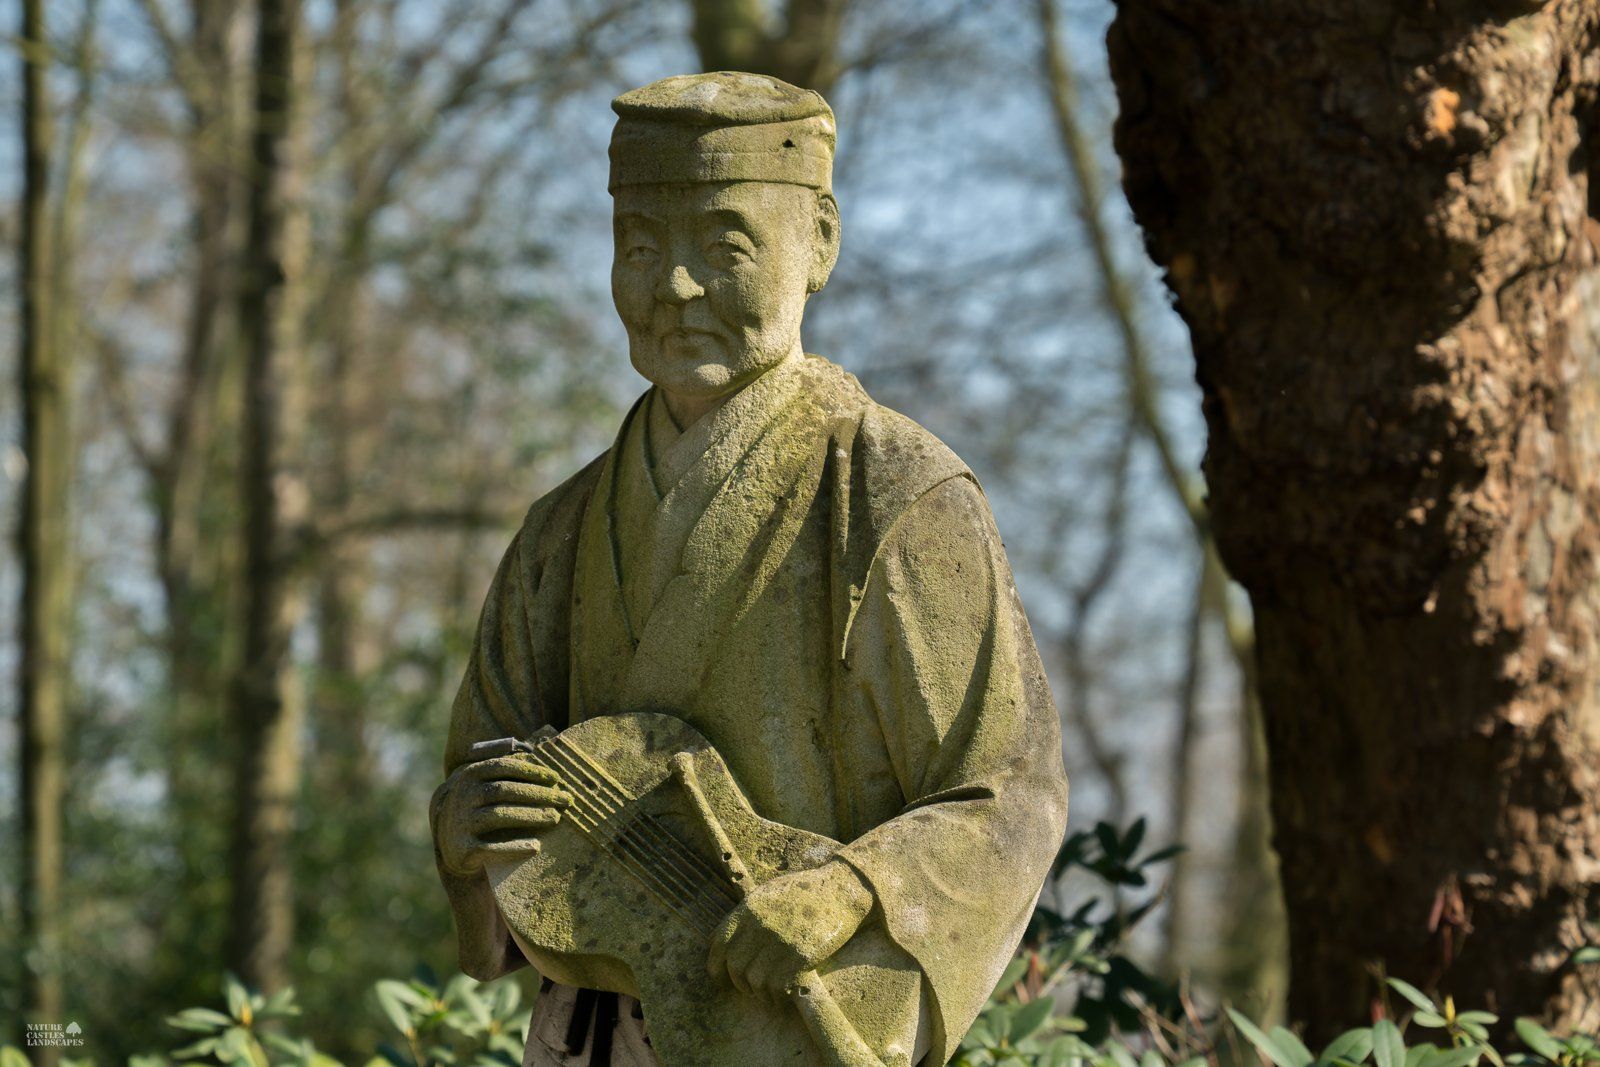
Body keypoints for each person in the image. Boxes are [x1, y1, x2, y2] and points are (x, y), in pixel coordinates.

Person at [429, 71, 1069, 1067]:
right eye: (639, 247)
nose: (673, 285)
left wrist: (855, 890)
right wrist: (469, 831)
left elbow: (1007, 791)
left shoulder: (893, 491)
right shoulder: (560, 529)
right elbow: (493, 785)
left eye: (722, 245)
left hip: (786, 1028)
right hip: (584, 1033)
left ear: (817, 243)